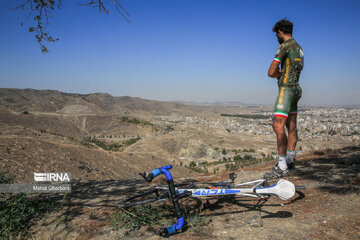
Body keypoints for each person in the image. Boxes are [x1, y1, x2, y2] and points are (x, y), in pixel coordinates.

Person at [264, 19, 304, 179]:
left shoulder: (284, 46)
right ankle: (290, 159)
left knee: (277, 125)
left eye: (276, 34)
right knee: (291, 125)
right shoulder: (299, 48)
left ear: (280, 32)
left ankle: (282, 166)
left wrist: (277, 74)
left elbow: (271, 71)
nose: (276, 36)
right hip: (296, 88)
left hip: (286, 89)